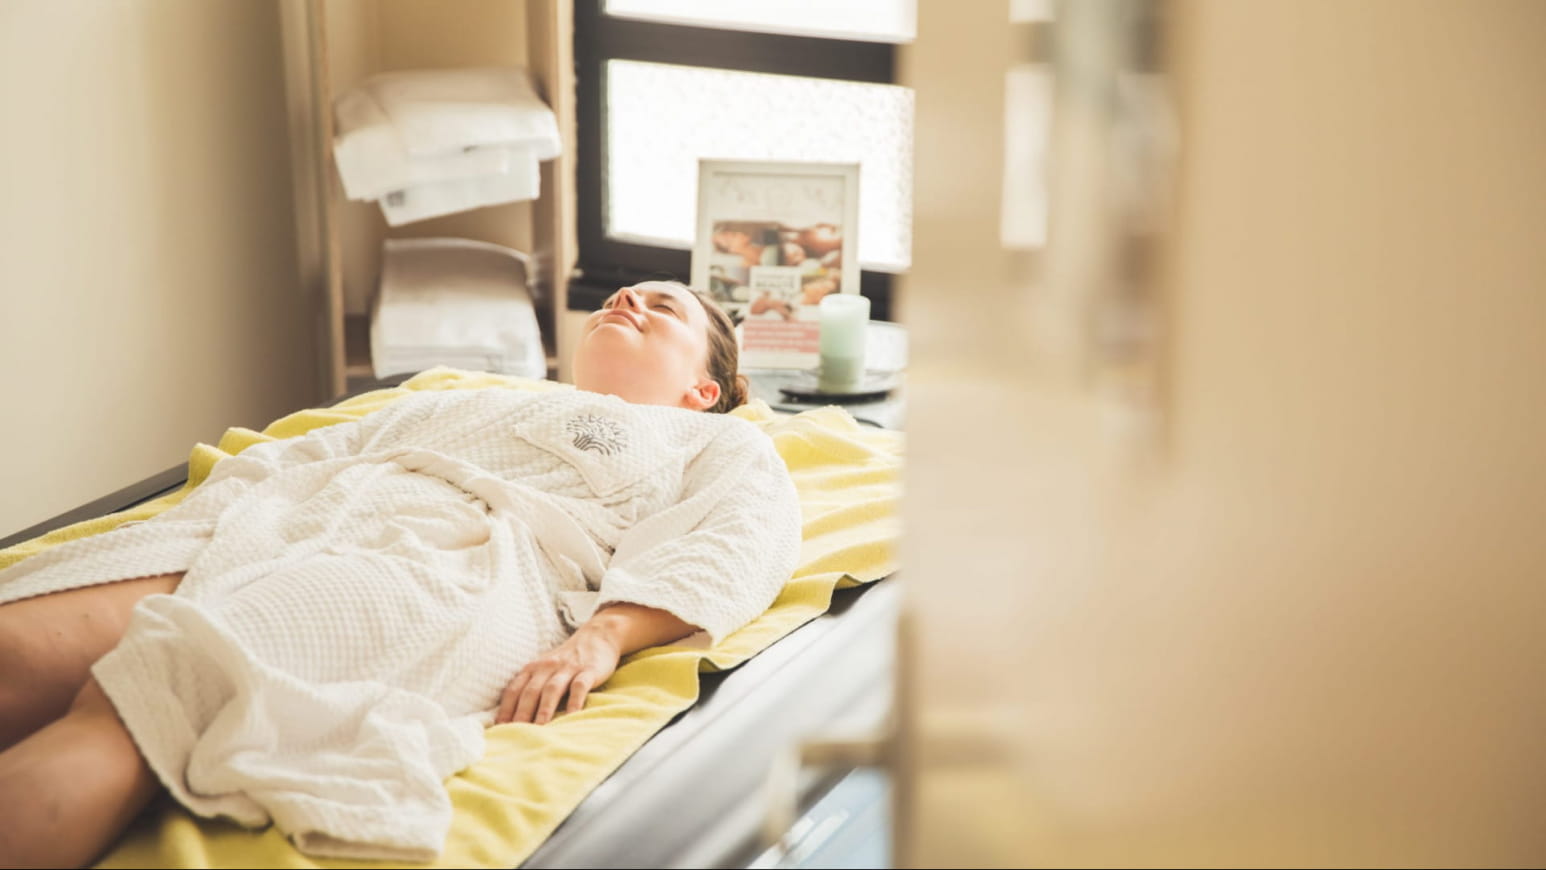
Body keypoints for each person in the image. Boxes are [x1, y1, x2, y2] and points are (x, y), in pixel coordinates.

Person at [0, 281, 802, 868]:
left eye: (663, 308)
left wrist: (602, 637)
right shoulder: (476, 397)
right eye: (625, 295)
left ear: (703, 389)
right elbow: (319, 449)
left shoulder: (720, 444)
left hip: (452, 563)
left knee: (145, 698)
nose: (627, 299)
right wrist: (210, 518)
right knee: (15, 649)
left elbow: (737, 542)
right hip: (294, 514)